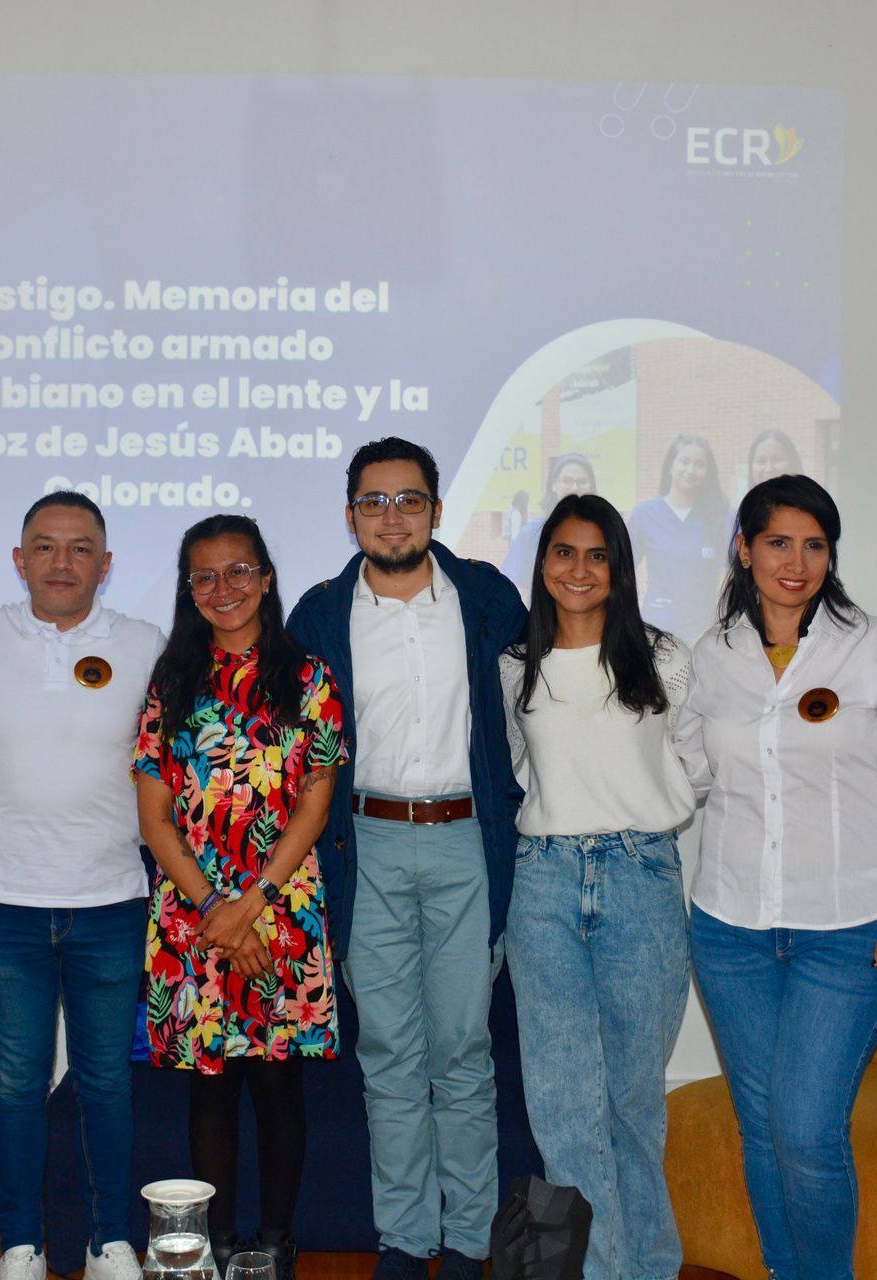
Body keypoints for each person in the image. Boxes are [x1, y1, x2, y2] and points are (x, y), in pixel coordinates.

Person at [674, 474, 877, 1280]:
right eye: (778, 542)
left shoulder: (876, 648)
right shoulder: (710, 656)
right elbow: (685, 775)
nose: (796, 561)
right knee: (761, 1125)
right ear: (745, 549)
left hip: (849, 929)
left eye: (815, 544)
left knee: (808, 1129)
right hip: (729, 925)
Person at [287, 437, 526, 1280]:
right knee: (388, 1052)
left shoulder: (488, 597)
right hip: (365, 845)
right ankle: (404, 1238)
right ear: (350, 514)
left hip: (468, 841)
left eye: (410, 499)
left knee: (462, 1051)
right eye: (375, 501)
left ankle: (467, 1240)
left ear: (435, 507)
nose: (393, 516)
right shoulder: (318, 614)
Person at [0, 493, 164, 1280]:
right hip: (4, 905)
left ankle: (111, 1240)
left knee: (107, 1082)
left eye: (80, 550)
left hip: (110, 901)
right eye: (45, 547)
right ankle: (21, 1245)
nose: (62, 563)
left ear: (105, 566)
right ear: (20, 559)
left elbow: (164, 772)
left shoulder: (145, 645)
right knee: (16, 1086)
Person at [132, 514, 344, 1280]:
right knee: (211, 1088)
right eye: (205, 576)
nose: (224, 588)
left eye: (239, 570)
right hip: (192, 911)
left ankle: (275, 1242)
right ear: (190, 589)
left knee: (279, 1082)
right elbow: (155, 819)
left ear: (266, 577)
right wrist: (215, 909)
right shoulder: (170, 681)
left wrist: (249, 901)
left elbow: (315, 806)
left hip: (281, 905)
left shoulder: (309, 677)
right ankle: (216, 1247)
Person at [499, 495, 695, 1280]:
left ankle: (648, 1267)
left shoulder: (666, 658)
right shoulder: (517, 664)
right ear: (542, 563)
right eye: (563, 553)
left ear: (619, 568)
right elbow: (522, 767)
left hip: (640, 880)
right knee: (564, 1111)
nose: (578, 571)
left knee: (634, 1109)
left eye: (597, 555)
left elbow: (694, 763)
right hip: (542, 884)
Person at [628, 435, 733, 642]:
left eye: (699, 464)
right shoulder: (645, 514)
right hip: (657, 628)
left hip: (703, 631)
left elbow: (729, 574)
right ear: (671, 465)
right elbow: (623, 566)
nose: (691, 470)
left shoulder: (717, 517)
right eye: (685, 461)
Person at [502, 452, 597, 599]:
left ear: (591, 485)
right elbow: (514, 585)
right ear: (554, 485)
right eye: (566, 481)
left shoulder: (605, 532)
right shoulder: (531, 533)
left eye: (582, 481)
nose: (574, 487)